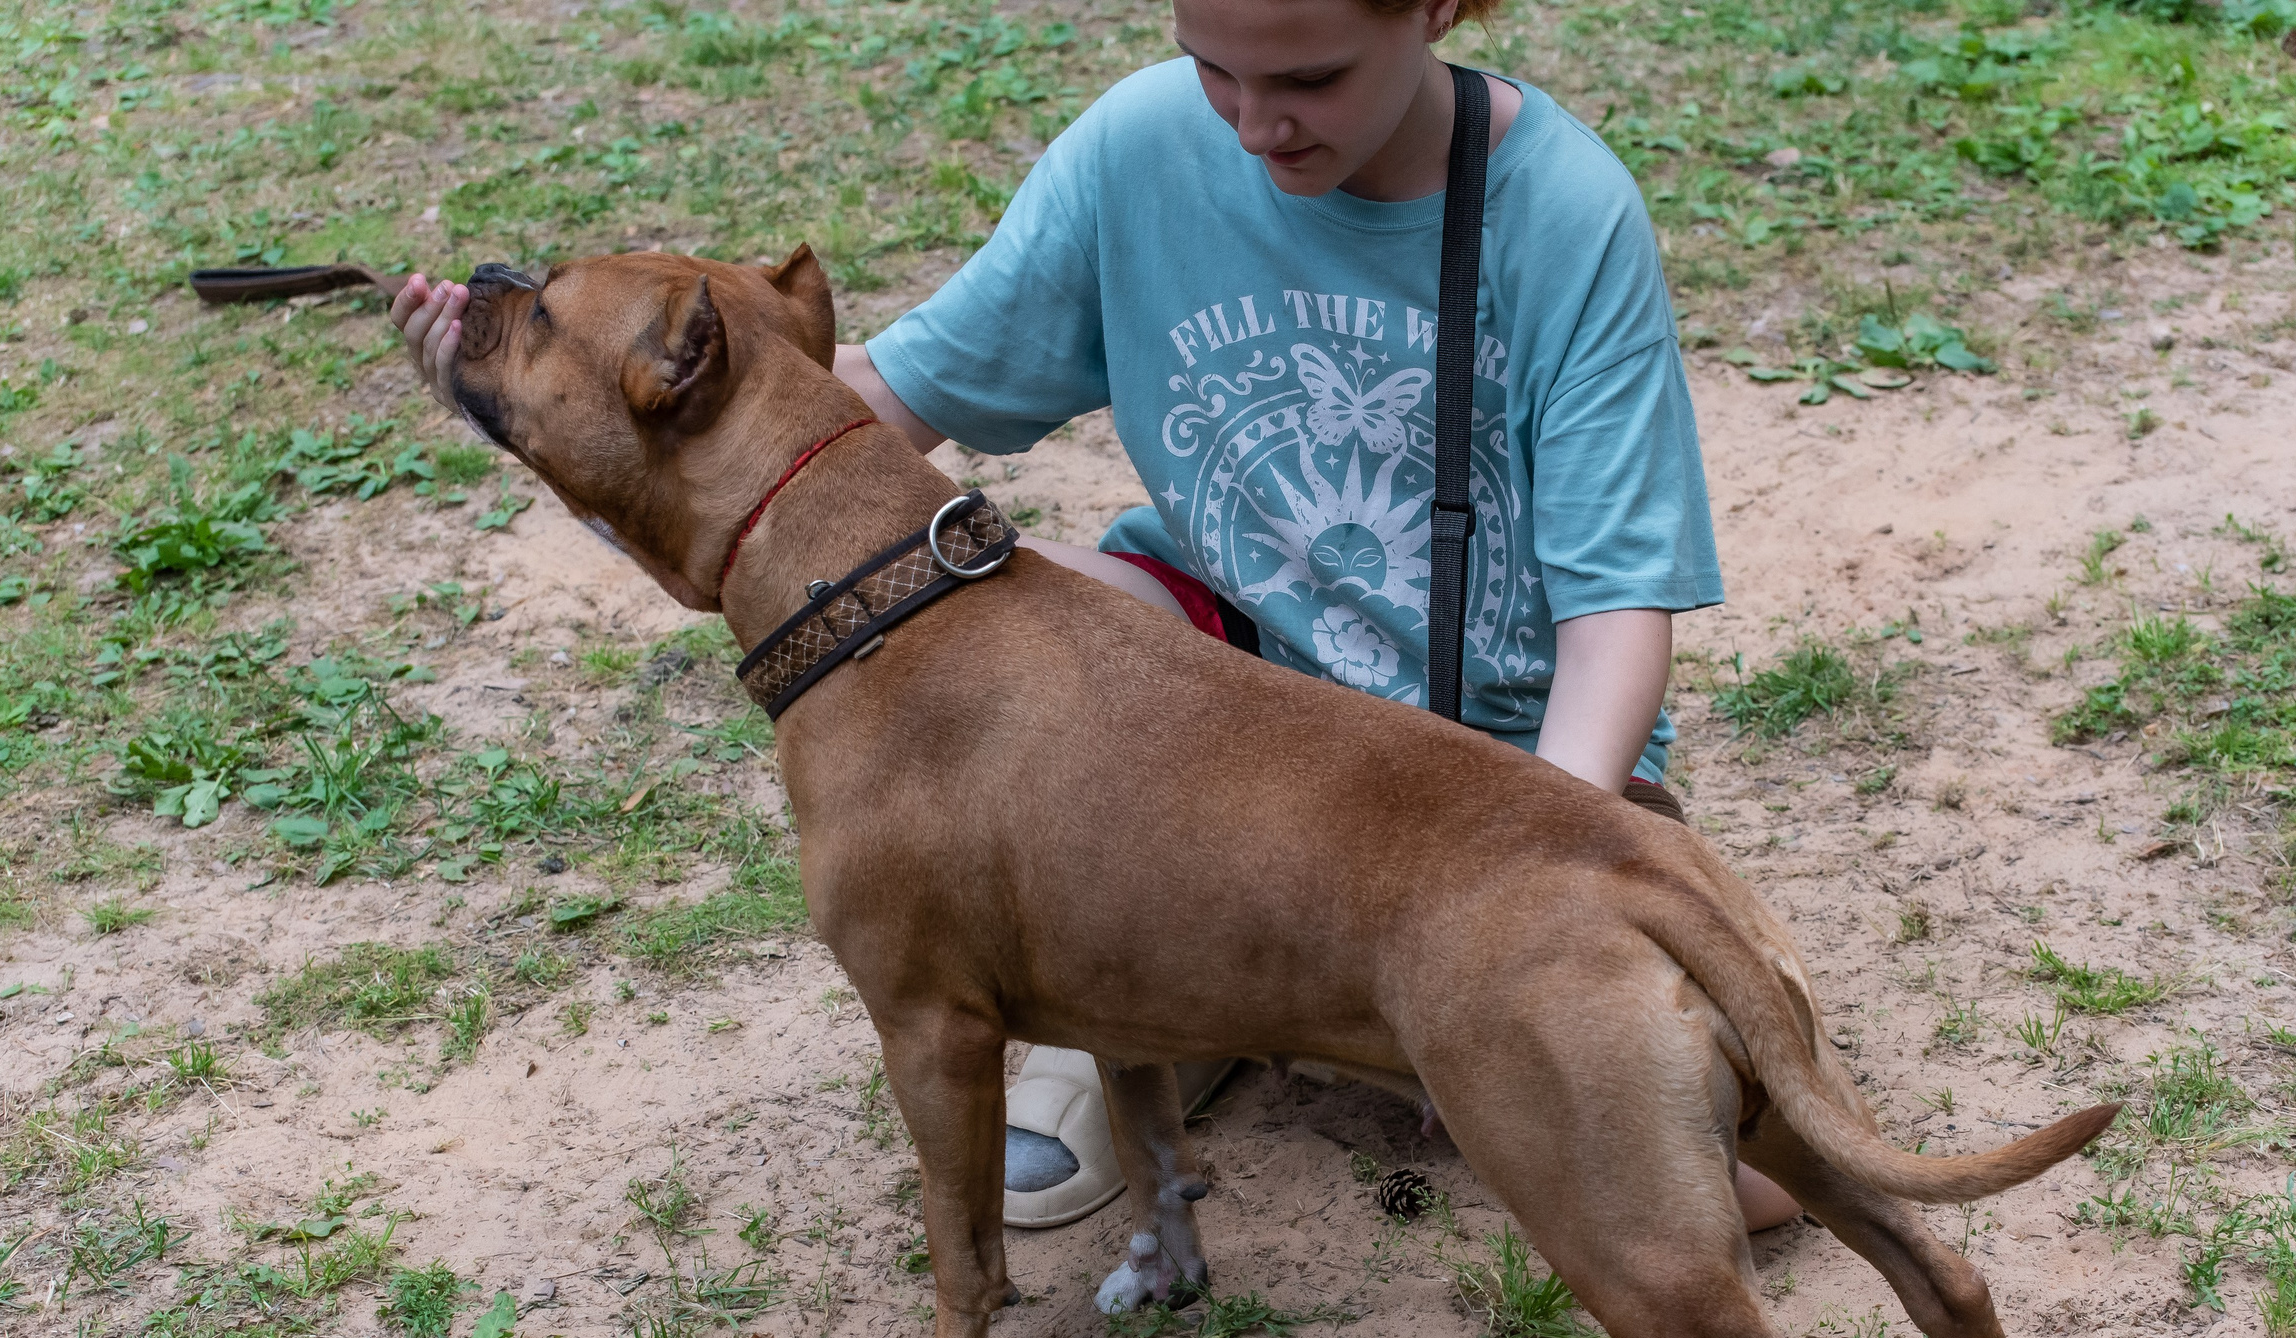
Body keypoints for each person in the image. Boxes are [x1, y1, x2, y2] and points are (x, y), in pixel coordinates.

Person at [390, 0, 1804, 1236]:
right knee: (993, 600)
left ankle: (1307, 1002)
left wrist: (1515, 897)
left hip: (1501, 758)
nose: (1256, 125)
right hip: (1221, 702)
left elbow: (1618, 612)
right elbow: (832, 449)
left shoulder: (1563, 209)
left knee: (1751, 1182)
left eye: (1307, 80)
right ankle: (1160, 991)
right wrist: (537, 412)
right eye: (1213, 68)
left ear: (1436, 9)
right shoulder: (1139, 149)